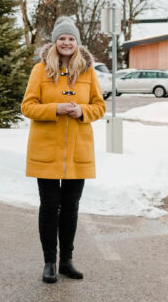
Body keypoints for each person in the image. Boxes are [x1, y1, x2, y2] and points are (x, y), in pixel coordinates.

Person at [21, 16, 106, 284]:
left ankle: (67, 260)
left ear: (77, 43)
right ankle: (49, 262)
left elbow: (99, 106)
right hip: (46, 149)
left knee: (71, 207)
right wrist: (55, 109)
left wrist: (82, 111)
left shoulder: (88, 72)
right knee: (49, 207)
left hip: (78, 151)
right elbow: (28, 106)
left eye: (71, 39)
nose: (66, 43)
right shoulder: (40, 71)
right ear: (55, 43)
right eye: (62, 38)